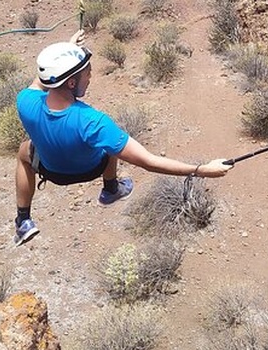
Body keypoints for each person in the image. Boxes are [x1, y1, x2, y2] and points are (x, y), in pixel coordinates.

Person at [13, 30, 233, 246]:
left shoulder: (26, 101)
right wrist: (203, 170)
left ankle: (23, 220)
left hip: (52, 170)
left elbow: (42, 79)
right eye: (87, 72)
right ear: (71, 83)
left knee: (24, 152)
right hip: (90, 168)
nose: (90, 77)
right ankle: (111, 189)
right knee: (110, 144)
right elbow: (149, 162)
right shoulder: (92, 122)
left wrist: (69, 49)